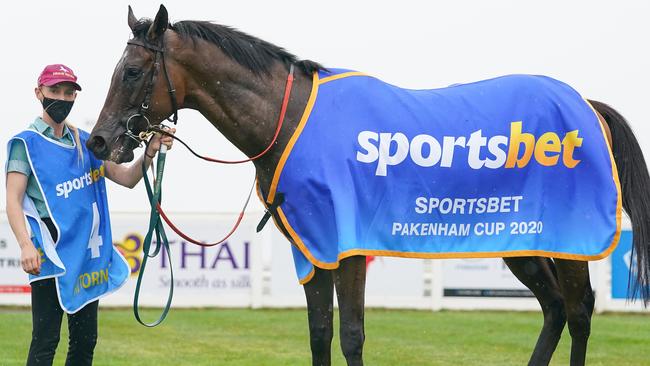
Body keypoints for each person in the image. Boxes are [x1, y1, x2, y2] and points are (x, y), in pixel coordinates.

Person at [5, 64, 174, 365]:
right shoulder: (25, 144)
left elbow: (127, 178)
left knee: (85, 343)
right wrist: (25, 244)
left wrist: (150, 151)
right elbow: (13, 201)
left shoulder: (87, 141)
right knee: (46, 341)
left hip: (86, 254)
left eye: (68, 92)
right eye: (54, 90)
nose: (62, 97)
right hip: (50, 254)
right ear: (39, 93)